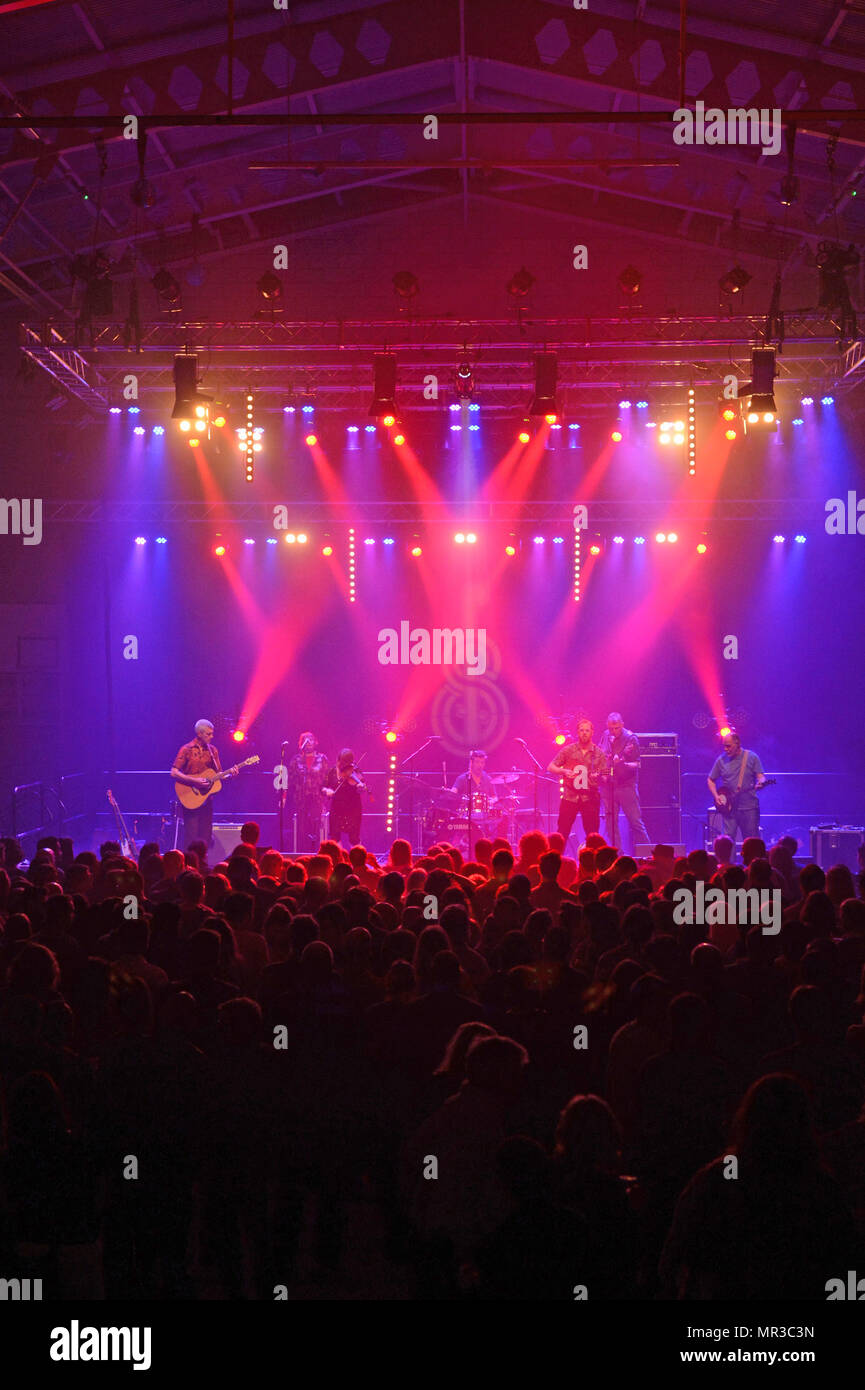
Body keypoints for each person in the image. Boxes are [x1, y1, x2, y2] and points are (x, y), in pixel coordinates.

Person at [548, 718, 608, 852]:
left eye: (587, 730)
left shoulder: (599, 753)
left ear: (592, 732)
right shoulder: (568, 750)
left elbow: (605, 776)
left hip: (590, 798)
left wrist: (599, 777)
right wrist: (563, 771)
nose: (584, 733)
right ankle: (556, 860)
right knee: (562, 832)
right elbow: (550, 766)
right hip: (570, 796)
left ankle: (592, 865)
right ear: (577, 733)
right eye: (581, 730)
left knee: (592, 835)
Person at [597, 712, 650, 854]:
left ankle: (646, 855)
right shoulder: (605, 736)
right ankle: (618, 856)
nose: (613, 732)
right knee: (610, 824)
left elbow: (637, 764)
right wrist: (603, 772)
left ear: (622, 725)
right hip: (609, 786)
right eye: (611, 728)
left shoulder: (630, 739)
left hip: (626, 786)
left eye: (616, 728)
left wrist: (623, 763)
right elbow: (602, 760)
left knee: (635, 822)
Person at [707, 730, 766, 848]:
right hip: (729, 809)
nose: (725, 749)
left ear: (737, 743)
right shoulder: (721, 760)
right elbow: (710, 780)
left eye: (728, 746)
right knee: (727, 842)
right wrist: (716, 796)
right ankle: (728, 865)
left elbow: (761, 777)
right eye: (724, 746)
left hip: (749, 808)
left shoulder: (751, 757)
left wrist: (761, 783)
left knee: (752, 841)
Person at [170, 719, 221, 851]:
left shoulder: (213, 751)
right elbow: (174, 772)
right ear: (199, 733)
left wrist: (231, 773)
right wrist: (194, 781)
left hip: (206, 799)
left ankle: (202, 866)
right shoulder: (186, 749)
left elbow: (219, 774)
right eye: (208, 734)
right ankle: (189, 866)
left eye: (212, 734)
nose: (212, 736)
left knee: (206, 837)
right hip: (190, 797)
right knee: (191, 836)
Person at [288, 731, 329, 850]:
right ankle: (303, 852)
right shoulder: (296, 760)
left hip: (317, 798)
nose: (309, 742)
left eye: (311, 739)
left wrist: (325, 792)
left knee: (315, 826)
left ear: (315, 742)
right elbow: (291, 779)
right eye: (306, 739)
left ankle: (316, 852)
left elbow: (327, 778)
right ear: (302, 743)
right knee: (302, 827)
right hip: (301, 799)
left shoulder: (322, 758)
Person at [324, 749, 365, 847]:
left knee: (354, 838)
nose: (345, 765)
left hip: (353, 809)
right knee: (335, 835)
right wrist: (327, 791)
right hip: (337, 808)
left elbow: (362, 785)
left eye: (348, 762)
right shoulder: (332, 771)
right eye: (343, 762)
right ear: (338, 760)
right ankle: (338, 858)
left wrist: (361, 787)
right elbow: (323, 786)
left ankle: (357, 859)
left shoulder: (355, 770)